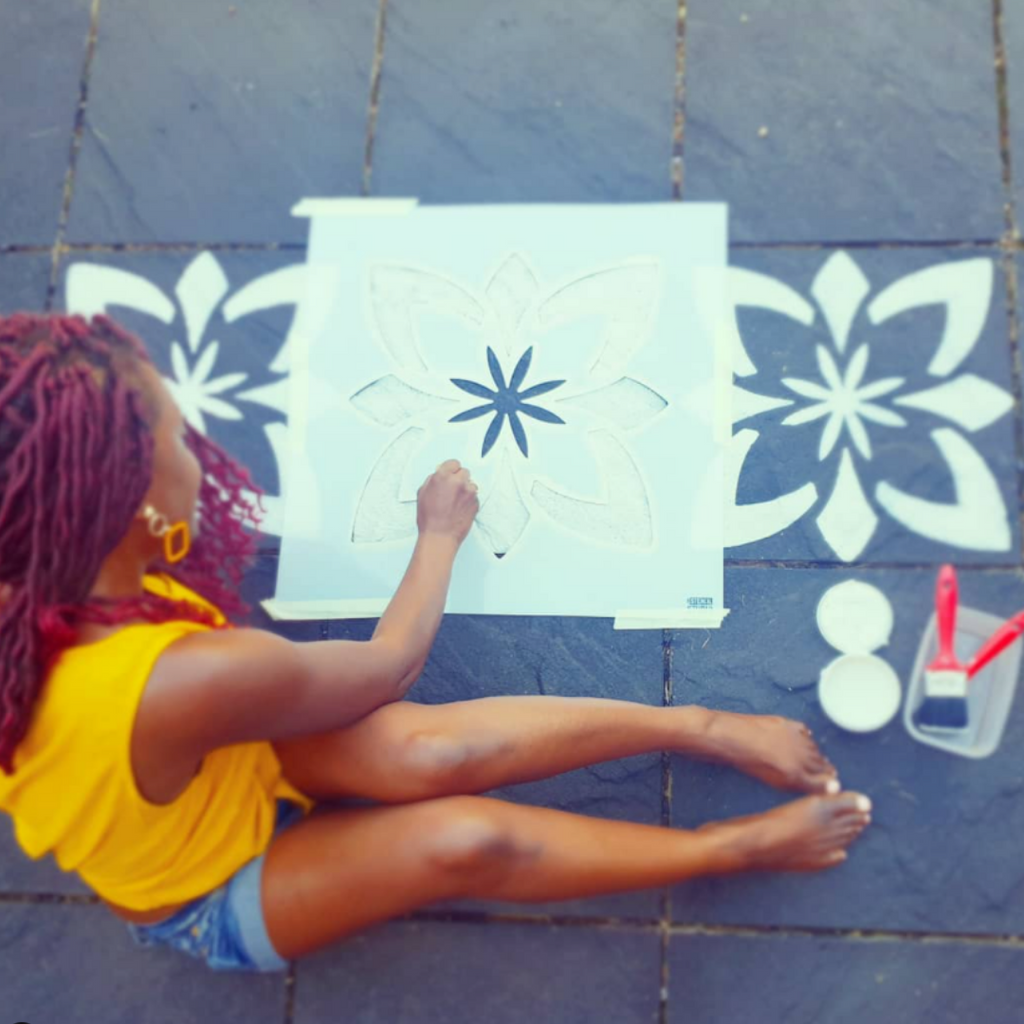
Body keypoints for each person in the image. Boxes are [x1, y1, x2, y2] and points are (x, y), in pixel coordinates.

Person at [0, 312, 871, 974]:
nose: (199, 446)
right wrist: (439, 536)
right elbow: (389, 666)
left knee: (436, 750)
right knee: (465, 841)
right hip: (205, 893)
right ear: (124, 498)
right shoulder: (188, 678)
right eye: (175, 433)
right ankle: (731, 849)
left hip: (219, 765)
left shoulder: (44, 561)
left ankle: (699, 726)